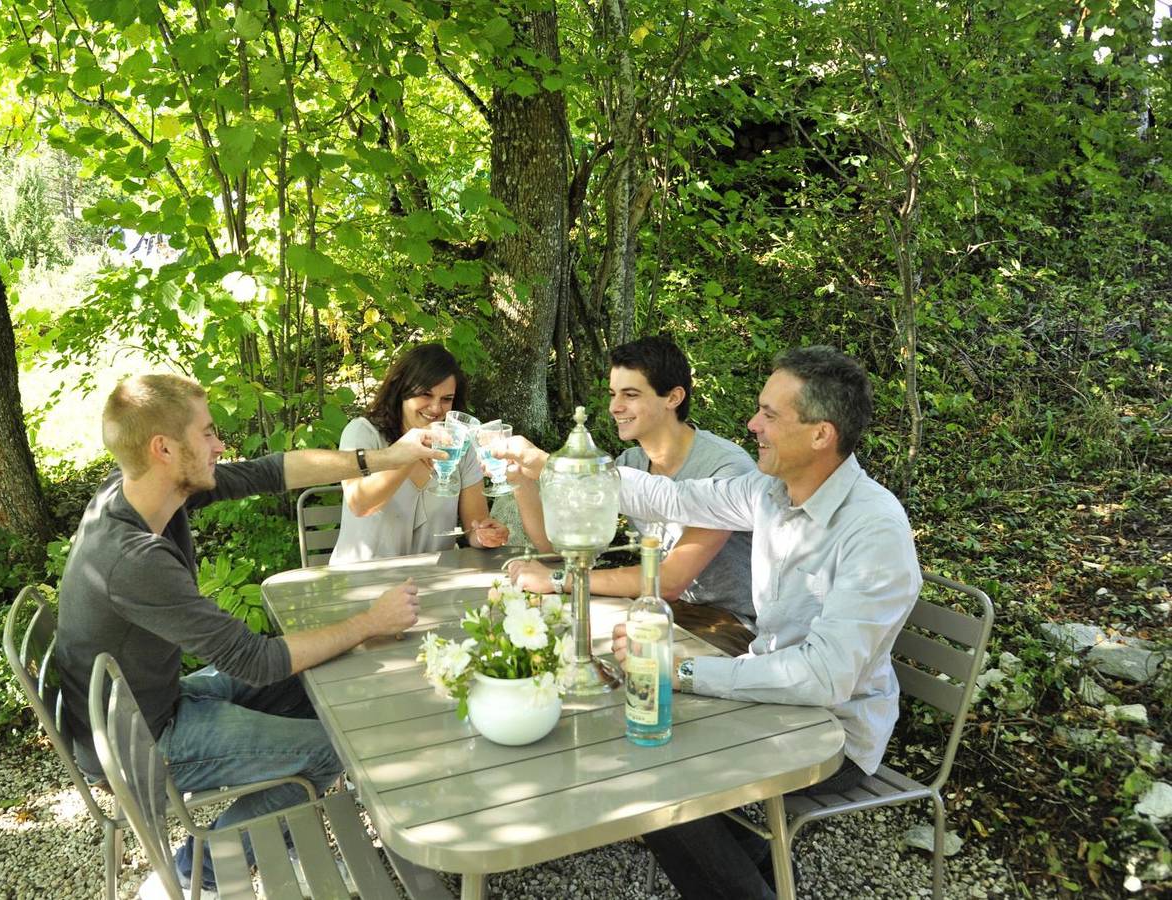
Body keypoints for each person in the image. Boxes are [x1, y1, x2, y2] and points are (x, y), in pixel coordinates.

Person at [500, 346, 921, 900]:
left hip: (832, 732)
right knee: (638, 740)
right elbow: (670, 495)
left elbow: (826, 678)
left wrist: (686, 670)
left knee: (654, 781)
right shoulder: (770, 492)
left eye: (770, 414)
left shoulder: (874, 530)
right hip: (766, 696)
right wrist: (555, 465)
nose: (753, 425)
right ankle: (765, 877)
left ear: (821, 434)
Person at [54, 373, 443, 892]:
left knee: (315, 682)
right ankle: (199, 875)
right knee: (332, 749)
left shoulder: (143, 491)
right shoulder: (132, 559)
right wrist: (369, 622)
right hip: (140, 743)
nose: (220, 445)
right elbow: (255, 660)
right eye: (209, 434)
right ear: (164, 448)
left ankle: (283, 834)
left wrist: (386, 458)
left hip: (149, 705)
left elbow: (270, 471)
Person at [505, 336, 756, 643]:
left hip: (729, 624)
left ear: (673, 397)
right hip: (660, 609)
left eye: (631, 394)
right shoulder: (632, 462)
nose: (614, 407)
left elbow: (671, 581)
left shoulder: (725, 469)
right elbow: (557, 545)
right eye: (612, 394)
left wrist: (558, 580)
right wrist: (520, 481)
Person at [330, 343, 508, 564]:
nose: (436, 408)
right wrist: (409, 454)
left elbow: (475, 525)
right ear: (401, 390)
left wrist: (486, 535)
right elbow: (360, 504)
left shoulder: (460, 444)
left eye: (446, 399)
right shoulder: (363, 432)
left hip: (433, 582)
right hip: (363, 581)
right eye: (426, 394)